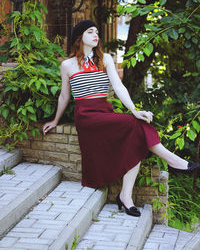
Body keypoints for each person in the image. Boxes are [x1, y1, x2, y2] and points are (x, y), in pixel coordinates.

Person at [43, 20, 200, 217]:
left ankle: (126, 196)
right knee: (134, 125)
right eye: (90, 31)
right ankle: (174, 162)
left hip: (105, 112)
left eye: (97, 31)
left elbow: (118, 87)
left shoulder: (105, 59)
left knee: (137, 129)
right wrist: (56, 120)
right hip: (86, 117)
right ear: (79, 37)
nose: (95, 35)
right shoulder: (67, 65)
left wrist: (134, 110)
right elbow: (65, 96)